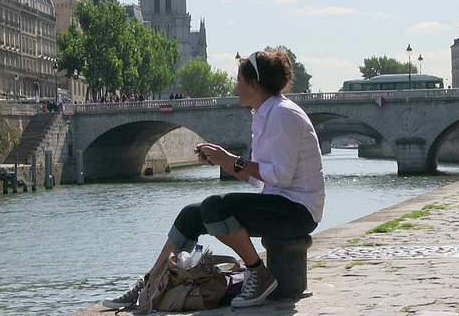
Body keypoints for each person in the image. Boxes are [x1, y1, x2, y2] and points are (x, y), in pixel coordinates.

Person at [102, 50, 326, 310]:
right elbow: (257, 178)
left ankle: (258, 274)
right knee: (191, 215)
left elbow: (281, 176)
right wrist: (222, 160)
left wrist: (231, 159)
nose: (236, 86)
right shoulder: (263, 115)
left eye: (239, 80)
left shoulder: (282, 114)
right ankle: (153, 280)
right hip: (278, 203)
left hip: (298, 212)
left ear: (255, 84)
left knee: (213, 207)